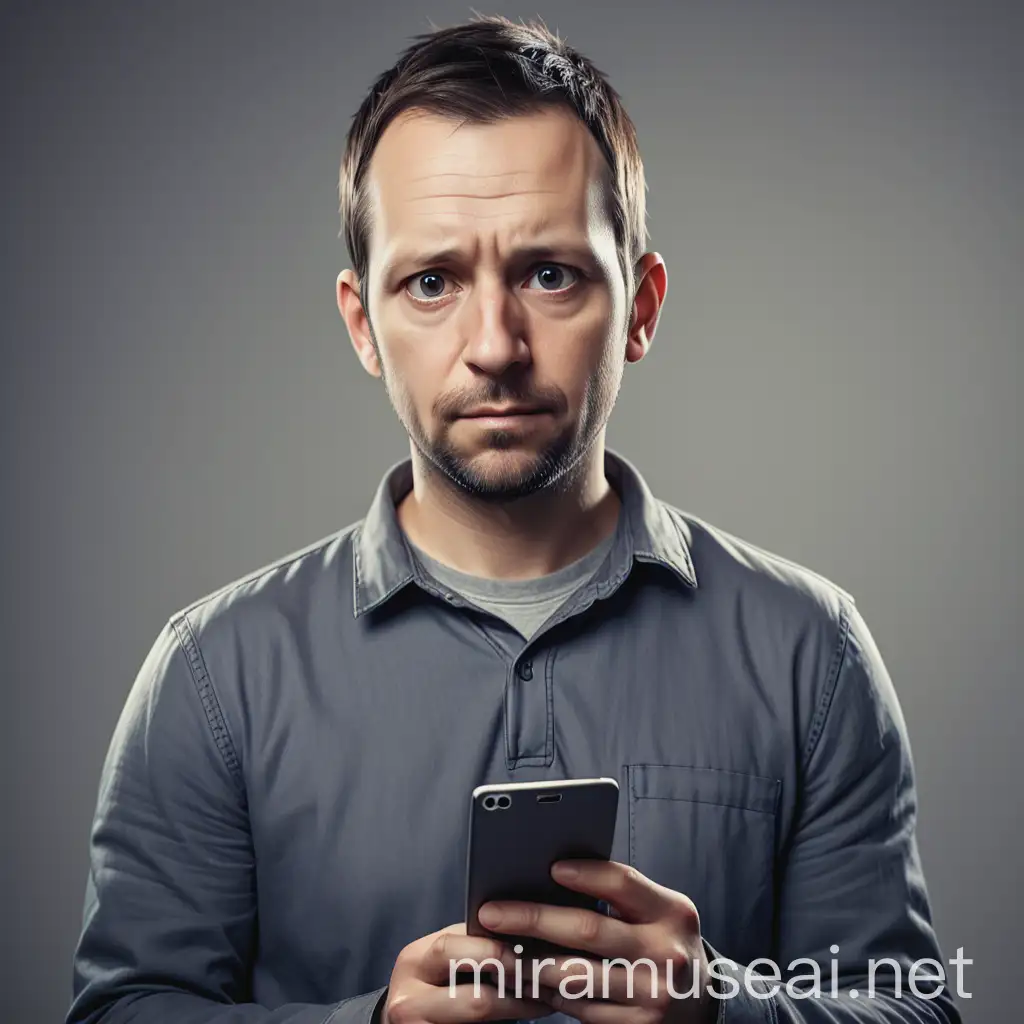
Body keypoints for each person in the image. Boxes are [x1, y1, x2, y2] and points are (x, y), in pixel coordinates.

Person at [66, 14, 961, 1024]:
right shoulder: (211, 675)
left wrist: (724, 1008)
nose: (494, 345)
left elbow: (914, 1008)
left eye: (550, 273)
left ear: (642, 306)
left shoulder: (812, 652)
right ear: (364, 323)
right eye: (433, 282)